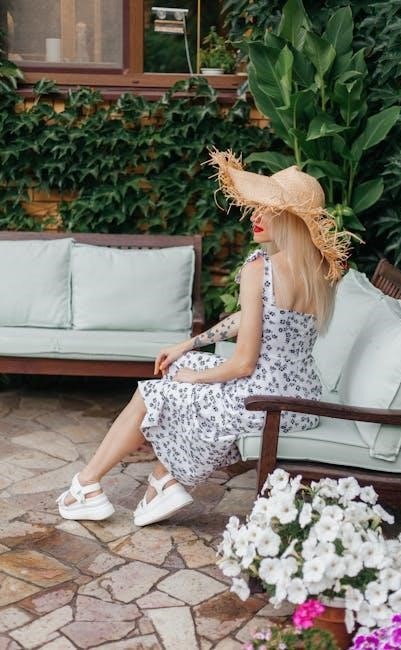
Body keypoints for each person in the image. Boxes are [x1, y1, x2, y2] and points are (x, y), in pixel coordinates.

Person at [56, 149, 351, 526]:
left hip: (265, 400)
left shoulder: (260, 268)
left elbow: (243, 364)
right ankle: (162, 480)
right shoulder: (321, 269)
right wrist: (189, 344)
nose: (255, 217)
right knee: (181, 363)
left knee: (154, 393)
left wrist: (195, 378)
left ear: (289, 218)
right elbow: (254, 319)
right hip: (301, 402)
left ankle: (89, 485)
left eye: (266, 210)